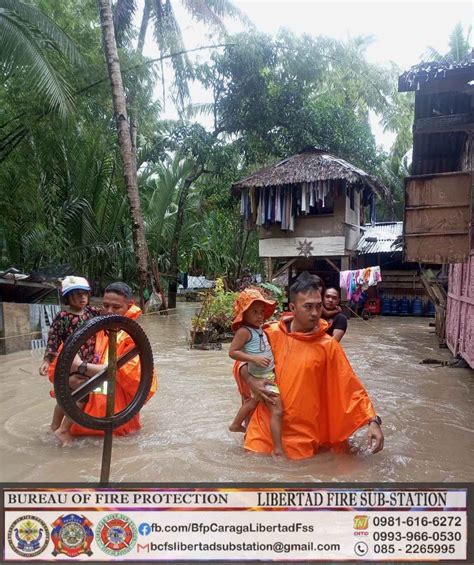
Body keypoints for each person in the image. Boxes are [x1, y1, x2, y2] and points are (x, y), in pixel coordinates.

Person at [234, 272, 384, 460]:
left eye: (318, 306)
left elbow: (350, 387)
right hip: (263, 431)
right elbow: (240, 362)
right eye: (308, 307)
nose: (315, 313)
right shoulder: (269, 334)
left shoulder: (328, 346)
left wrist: (373, 420)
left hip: (303, 437)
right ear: (292, 307)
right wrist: (251, 380)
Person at [65, 282, 157, 443]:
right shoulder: (92, 330)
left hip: (119, 432)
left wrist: (81, 367)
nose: (109, 311)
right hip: (77, 431)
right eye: (105, 305)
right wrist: (68, 379)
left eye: (116, 307)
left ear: (129, 306)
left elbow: (131, 376)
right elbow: (59, 365)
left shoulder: (134, 339)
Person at [39, 276, 101, 436]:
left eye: (84, 294)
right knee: (80, 393)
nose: (82, 298)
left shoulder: (92, 312)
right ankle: (61, 429)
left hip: (87, 361)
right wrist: (47, 360)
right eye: (77, 295)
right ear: (67, 297)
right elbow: (53, 340)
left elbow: (108, 320)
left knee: (68, 394)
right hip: (70, 362)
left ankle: (55, 427)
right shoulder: (62, 318)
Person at [228, 288, 285, 457]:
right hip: (262, 376)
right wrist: (254, 359)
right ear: (244, 314)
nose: (260, 316)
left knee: (252, 402)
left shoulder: (258, 328)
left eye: (261, 312)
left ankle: (236, 424)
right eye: (254, 312)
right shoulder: (244, 331)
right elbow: (232, 352)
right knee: (278, 411)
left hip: (262, 374)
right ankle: (278, 449)